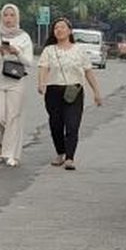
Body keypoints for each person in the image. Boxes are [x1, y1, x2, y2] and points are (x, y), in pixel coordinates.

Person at [38, 17, 103, 170]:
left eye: (62, 27)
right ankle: (60, 153)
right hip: (53, 91)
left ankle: (69, 157)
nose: (59, 30)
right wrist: (41, 83)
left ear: (69, 31)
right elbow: (43, 67)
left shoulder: (79, 50)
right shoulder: (49, 50)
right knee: (56, 124)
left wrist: (96, 92)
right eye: (56, 28)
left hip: (74, 91)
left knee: (72, 125)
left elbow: (88, 71)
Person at [0, 4, 35, 167]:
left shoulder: (23, 37)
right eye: (6, 15)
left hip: (15, 80)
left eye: (12, 15)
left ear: (17, 17)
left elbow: (29, 62)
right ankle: (2, 141)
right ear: (1, 17)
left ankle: (11, 154)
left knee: (13, 118)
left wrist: (16, 51)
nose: (9, 19)